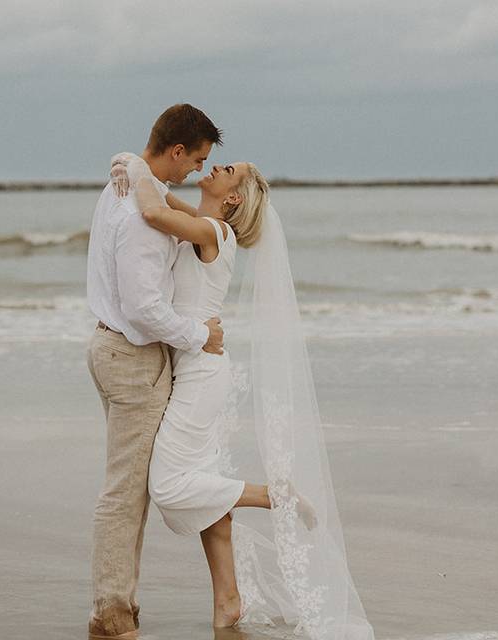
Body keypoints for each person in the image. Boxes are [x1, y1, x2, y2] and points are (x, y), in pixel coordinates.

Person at [109, 151, 375, 639]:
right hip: (197, 364)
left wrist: (136, 168)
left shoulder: (216, 233)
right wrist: (137, 167)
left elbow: (151, 211)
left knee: (168, 486)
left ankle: (279, 495)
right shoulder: (204, 221)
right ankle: (228, 600)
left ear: (233, 197)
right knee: (205, 484)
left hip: (201, 374)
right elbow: (163, 199)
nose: (217, 167)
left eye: (227, 170)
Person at [84, 103, 224, 640]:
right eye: (197, 160)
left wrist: (131, 162)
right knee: (125, 492)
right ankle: (112, 612)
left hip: (108, 348)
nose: (196, 171)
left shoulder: (123, 185)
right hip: (132, 357)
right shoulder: (138, 209)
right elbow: (145, 308)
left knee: (127, 488)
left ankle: (117, 605)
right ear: (176, 150)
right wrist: (199, 337)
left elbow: (163, 203)